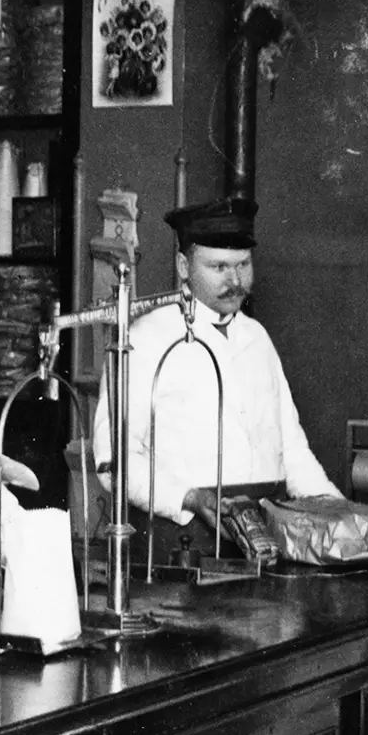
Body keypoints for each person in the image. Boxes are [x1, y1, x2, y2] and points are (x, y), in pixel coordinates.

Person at [94, 197, 339, 540]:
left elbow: (293, 451)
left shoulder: (256, 337)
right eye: (218, 267)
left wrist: (338, 511)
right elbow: (113, 460)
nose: (235, 280)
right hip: (181, 537)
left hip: (264, 531)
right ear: (184, 266)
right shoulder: (145, 339)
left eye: (243, 265)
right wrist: (189, 498)